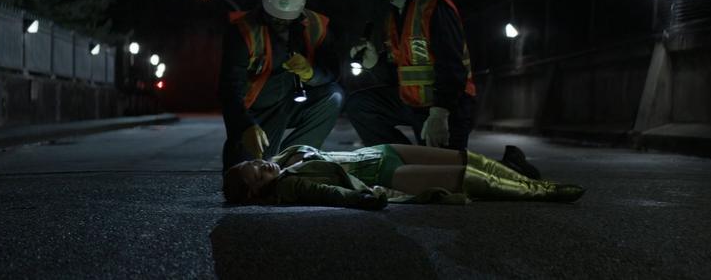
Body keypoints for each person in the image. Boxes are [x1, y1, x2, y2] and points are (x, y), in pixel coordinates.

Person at [345, 0, 478, 151]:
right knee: (360, 106)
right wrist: (373, 63)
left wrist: (440, 112)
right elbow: (397, 74)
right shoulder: (394, 16)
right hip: (414, 104)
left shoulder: (434, 6)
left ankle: (514, 167)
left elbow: (453, 68)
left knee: (443, 180)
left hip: (449, 108)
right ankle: (402, 158)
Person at [219, 0, 343, 172]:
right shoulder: (243, 32)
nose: (281, 23)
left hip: (293, 104)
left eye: (287, 19)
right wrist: (244, 125)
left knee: (334, 96)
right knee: (244, 177)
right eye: (275, 18)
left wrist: (311, 73)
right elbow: (229, 89)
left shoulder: (316, 26)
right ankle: (268, 158)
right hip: (258, 113)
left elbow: (333, 71)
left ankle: (291, 159)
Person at [222, 143, 585, 210]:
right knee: (465, 174)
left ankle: (532, 180)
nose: (261, 165)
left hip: (381, 150)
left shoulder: (284, 158)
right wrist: (364, 199)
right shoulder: (292, 185)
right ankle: (544, 191)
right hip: (383, 171)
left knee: (466, 156)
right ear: (254, 193)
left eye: (255, 162)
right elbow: (329, 193)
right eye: (255, 173)